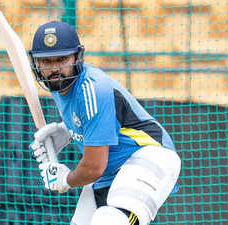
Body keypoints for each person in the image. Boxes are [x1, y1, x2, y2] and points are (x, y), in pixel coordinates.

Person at [28, 21, 181, 225]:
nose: (55, 68)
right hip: (111, 170)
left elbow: (93, 167)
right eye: (47, 62)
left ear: (77, 57)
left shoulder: (92, 89)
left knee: (109, 221)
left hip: (149, 156)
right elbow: (99, 122)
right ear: (37, 63)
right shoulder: (59, 87)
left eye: (62, 59)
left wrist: (65, 179)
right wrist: (67, 131)